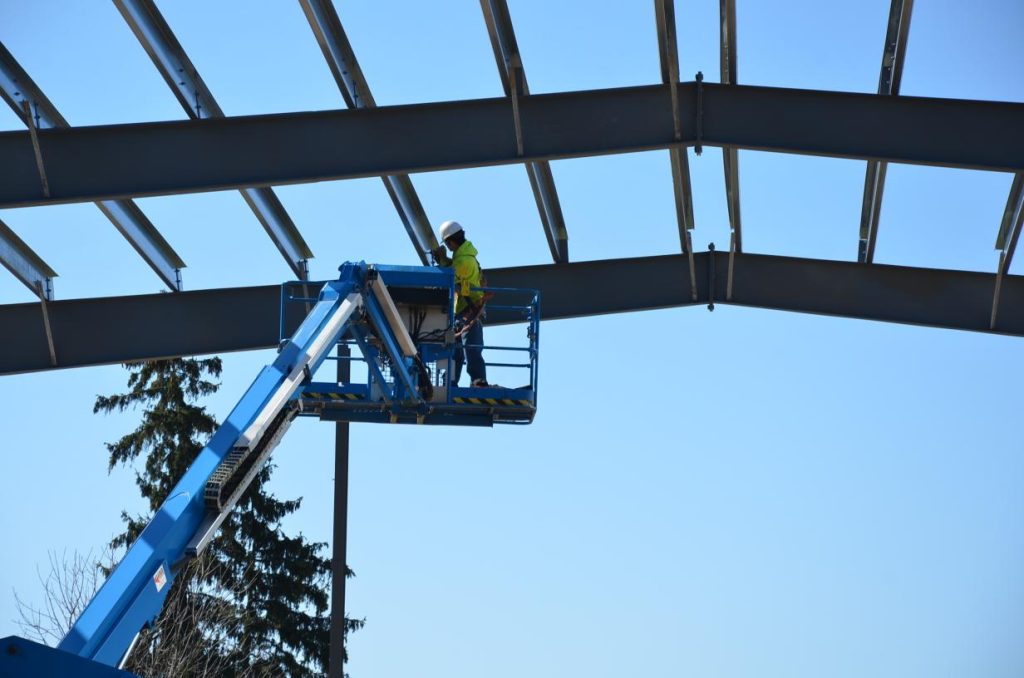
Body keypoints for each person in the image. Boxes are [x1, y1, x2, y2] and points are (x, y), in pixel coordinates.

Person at [432, 220, 489, 387]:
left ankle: (478, 380)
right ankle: (451, 383)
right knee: (456, 351)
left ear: (450, 242)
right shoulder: (462, 257)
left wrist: (440, 263)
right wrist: (443, 260)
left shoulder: (464, 260)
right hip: (462, 311)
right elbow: (453, 269)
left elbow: (451, 277)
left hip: (470, 311)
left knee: (471, 348)